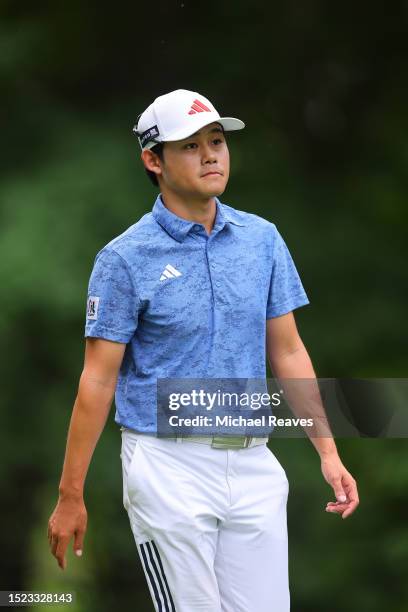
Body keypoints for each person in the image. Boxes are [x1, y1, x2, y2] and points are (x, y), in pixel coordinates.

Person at [48, 88, 359, 611]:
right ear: (153, 160)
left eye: (216, 141)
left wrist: (327, 451)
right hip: (167, 467)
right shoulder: (124, 259)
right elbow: (97, 382)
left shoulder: (262, 240)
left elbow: (287, 352)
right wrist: (70, 494)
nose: (211, 154)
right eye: (190, 146)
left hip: (254, 462)